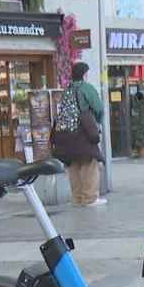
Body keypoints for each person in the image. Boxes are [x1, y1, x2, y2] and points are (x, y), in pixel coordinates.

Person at [54, 62, 107, 206]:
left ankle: (77, 198)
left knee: (74, 164)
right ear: (84, 74)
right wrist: (96, 122)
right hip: (83, 131)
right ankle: (90, 198)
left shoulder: (67, 89)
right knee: (89, 163)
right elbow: (98, 107)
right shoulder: (86, 88)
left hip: (67, 134)